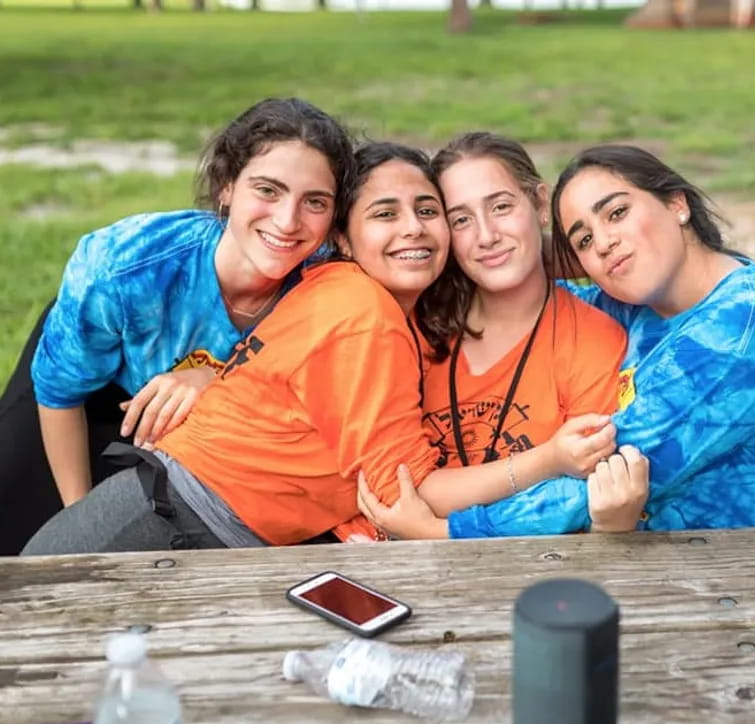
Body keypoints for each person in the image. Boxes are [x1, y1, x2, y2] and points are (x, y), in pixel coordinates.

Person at [22, 143, 615, 555]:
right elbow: (403, 493)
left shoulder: (343, 289)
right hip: (172, 525)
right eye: (384, 214)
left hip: (185, 516)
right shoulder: (367, 316)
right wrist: (547, 460)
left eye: (428, 212)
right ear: (342, 241)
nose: (412, 227)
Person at [358, 144, 755, 539]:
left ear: (677, 203)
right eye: (585, 239)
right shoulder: (650, 299)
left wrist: (442, 531)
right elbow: (536, 295)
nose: (605, 243)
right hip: (660, 558)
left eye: (616, 213)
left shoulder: (742, 330)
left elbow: (595, 479)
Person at [0, 98, 356, 556]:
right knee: (20, 516)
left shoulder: (330, 285)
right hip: (91, 382)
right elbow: (61, 395)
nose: (287, 222)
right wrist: (80, 521)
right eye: (268, 190)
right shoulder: (123, 267)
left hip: (193, 419)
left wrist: (217, 378)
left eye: (315, 202)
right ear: (227, 187)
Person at [398, 132, 634, 521]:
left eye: (502, 207)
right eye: (461, 219)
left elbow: (573, 501)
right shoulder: (415, 323)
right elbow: (392, 480)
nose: (487, 236)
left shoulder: (593, 339)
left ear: (541, 204)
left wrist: (427, 524)